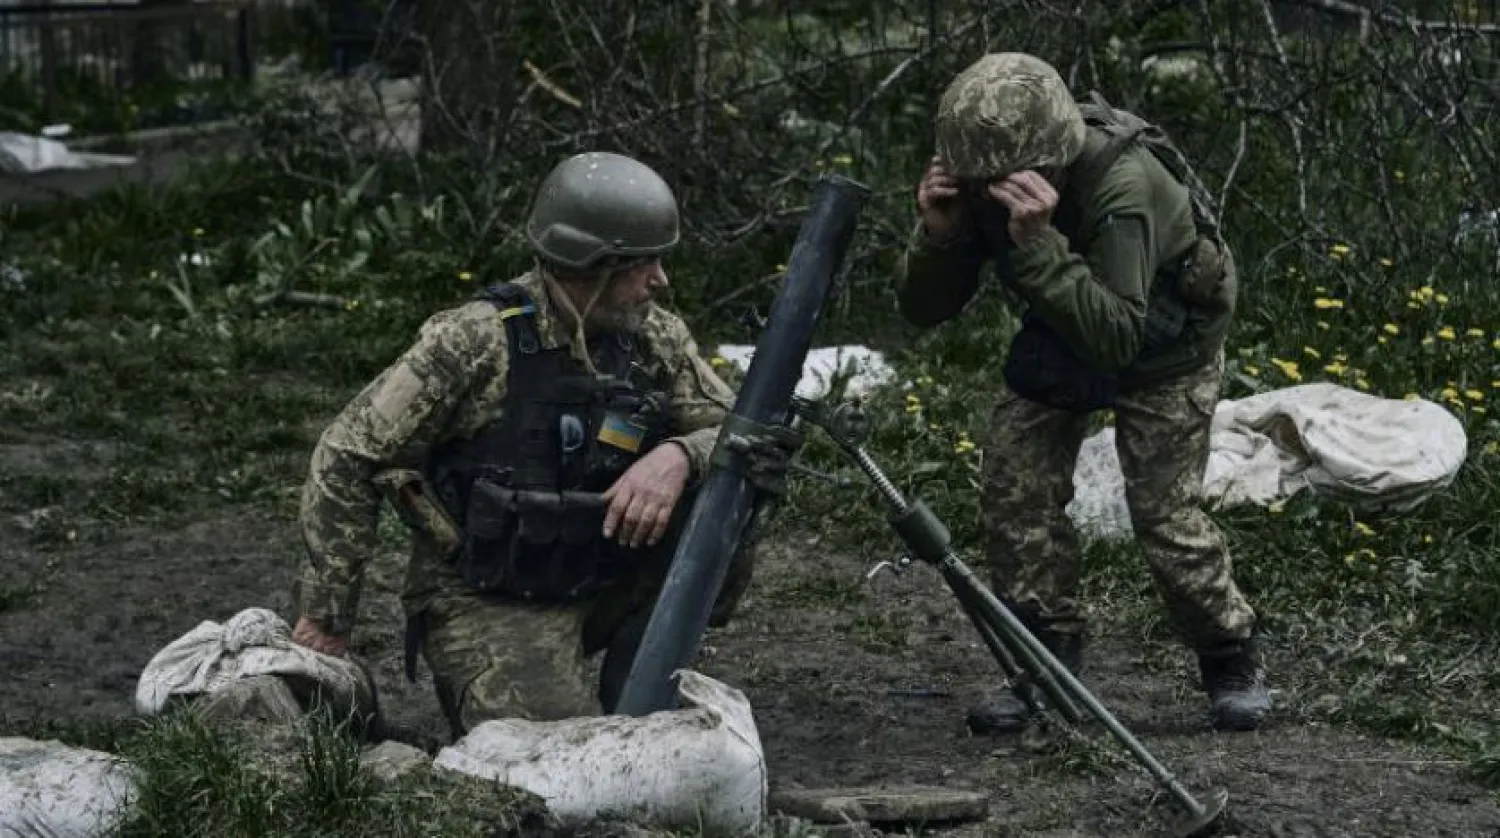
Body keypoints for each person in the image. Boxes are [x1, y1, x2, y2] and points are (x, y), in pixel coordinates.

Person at [287, 151, 784, 738]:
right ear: (589, 266)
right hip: (491, 596)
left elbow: (755, 433)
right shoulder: (473, 342)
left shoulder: (654, 337)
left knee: (739, 481)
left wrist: (678, 456)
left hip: (603, 574)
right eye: (640, 263)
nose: (661, 279)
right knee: (561, 764)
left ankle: (640, 669)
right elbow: (347, 455)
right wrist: (326, 616)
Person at [895, 52, 1272, 734]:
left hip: (1163, 347)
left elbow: (1119, 340)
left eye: (994, 182)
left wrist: (1036, 246)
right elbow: (924, 312)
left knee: (1164, 515)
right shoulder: (985, 182)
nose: (985, 193)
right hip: (1068, 321)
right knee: (1016, 491)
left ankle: (1229, 654)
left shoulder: (1120, 189)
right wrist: (940, 237)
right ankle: (1042, 662)